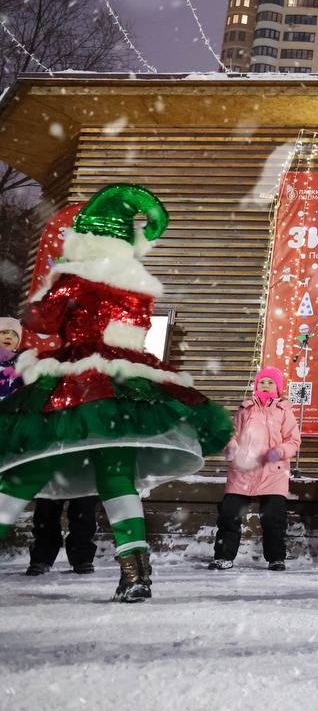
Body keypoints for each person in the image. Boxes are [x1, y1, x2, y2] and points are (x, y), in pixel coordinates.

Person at [0, 184, 233, 602]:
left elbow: (40, 319)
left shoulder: (74, 280)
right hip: (129, 382)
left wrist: (57, 280)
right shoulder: (136, 288)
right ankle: (135, 573)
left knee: (30, 465)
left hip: (78, 377)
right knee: (117, 475)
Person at [0, 316, 100, 576]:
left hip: (84, 448)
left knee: (84, 508)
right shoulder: (43, 367)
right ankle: (42, 557)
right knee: (46, 507)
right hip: (49, 445)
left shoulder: (96, 372)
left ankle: (82, 557)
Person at [209, 366, 300, 571]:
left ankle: (276, 558)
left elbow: (293, 440)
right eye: (262, 382)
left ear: (278, 387)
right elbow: (231, 434)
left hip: (273, 471)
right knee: (229, 514)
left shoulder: (284, 411)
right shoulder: (245, 409)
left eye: (270, 382)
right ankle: (223, 556)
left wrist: (279, 451)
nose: (265, 385)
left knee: (273, 518)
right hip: (244, 469)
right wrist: (233, 448)